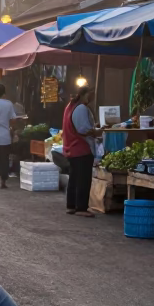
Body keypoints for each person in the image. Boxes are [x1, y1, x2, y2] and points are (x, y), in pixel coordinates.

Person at [63, 86, 101, 218]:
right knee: (83, 179)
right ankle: (81, 207)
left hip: (71, 147)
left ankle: (71, 205)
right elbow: (83, 129)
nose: (93, 97)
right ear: (87, 94)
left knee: (74, 177)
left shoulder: (71, 106)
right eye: (92, 94)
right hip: (81, 147)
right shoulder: (81, 108)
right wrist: (97, 131)